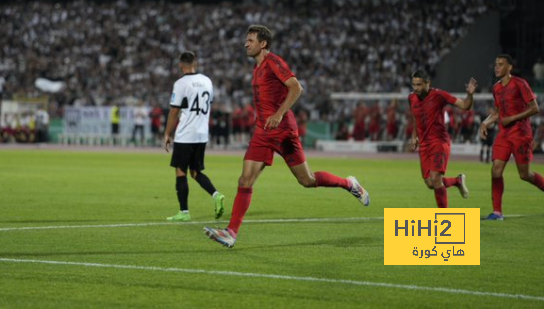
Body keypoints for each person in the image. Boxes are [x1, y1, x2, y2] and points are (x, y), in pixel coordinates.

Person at [204, 25, 369, 248]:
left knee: (307, 180)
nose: (246, 44)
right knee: (245, 180)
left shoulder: (274, 62)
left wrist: (279, 113)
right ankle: (231, 233)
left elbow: (296, 88)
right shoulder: (257, 69)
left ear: (263, 43)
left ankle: (349, 184)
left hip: (283, 130)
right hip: (262, 132)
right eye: (246, 40)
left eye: (250, 40)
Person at [479, 54, 543, 220]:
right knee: (496, 170)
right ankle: (497, 212)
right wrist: (485, 123)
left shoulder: (520, 84)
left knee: (525, 174)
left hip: (521, 134)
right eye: (496, 64)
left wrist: (512, 118)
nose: (497, 67)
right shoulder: (496, 88)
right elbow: (498, 112)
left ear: (509, 67)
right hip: (503, 134)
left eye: (500, 64)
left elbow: (535, 108)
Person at [163, 51, 225, 222]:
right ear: (195, 63)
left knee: (180, 171)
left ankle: (184, 212)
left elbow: (174, 110)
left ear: (180, 65)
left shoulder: (181, 83)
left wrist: (167, 133)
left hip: (185, 134)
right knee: (196, 172)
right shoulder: (207, 81)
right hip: (202, 134)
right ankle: (216, 194)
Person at [408, 70, 476, 208]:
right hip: (424, 144)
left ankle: (444, 218)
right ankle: (457, 181)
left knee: (435, 179)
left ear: (428, 83)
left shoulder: (439, 95)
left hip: (439, 141)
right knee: (430, 183)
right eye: (414, 84)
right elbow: (415, 117)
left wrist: (470, 94)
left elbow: (465, 106)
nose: (416, 88)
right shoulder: (411, 98)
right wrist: (414, 135)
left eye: (419, 85)